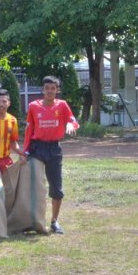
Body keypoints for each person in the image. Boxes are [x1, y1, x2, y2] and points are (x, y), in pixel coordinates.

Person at [23, 76, 79, 234]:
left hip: (54, 149)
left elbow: (73, 121)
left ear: (57, 90)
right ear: (43, 90)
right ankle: (33, 221)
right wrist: (26, 149)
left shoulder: (62, 105)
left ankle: (54, 221)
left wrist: (71, 124)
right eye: (47, 88)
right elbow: (29, 130)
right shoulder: (33, 106)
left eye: (53, 88)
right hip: (37, 149)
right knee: (35, 186)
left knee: (56, 187)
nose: (49, 91)